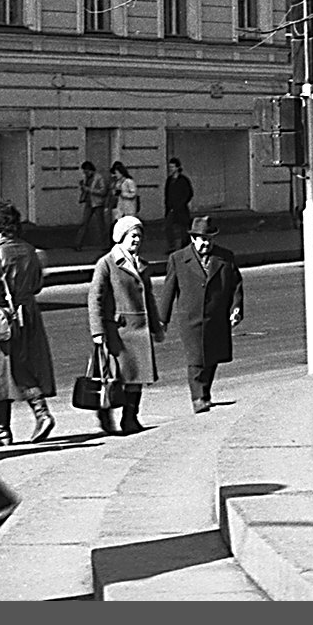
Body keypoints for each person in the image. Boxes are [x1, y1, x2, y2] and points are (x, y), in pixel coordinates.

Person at [0, 201, 58, 447]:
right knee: (23, 364)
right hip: (28, 314)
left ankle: (10, 427)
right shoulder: (30, 250)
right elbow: (38, 284)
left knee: (0, 371)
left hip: (1, 317)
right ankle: (24, 421)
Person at [156, 215, 243, 413]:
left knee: (212, 356)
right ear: (193, 239)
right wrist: (163, 319)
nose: (206, 243)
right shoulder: (178, 259)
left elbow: (235, 284)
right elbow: (168, 291)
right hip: (191, 317)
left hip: (217, 315)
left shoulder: (225, 257)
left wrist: (236, 309)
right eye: (202, 239)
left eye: (210, 239)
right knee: (196, 358)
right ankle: (198, 397)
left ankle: (206, 392)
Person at [87, 215, 162, 435]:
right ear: (120, 237)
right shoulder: (107, 263)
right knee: (114, 377)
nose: (137, 240)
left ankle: (130, 418)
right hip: (117, 330)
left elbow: (148, 297)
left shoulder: (142, 264)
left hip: (140, 328)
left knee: (137, 377)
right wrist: (98, 330)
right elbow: (95, 298)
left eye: (139, 236)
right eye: (132, 235)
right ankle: (105, 413)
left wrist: (156, 327)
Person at [73, 161, 111, 252]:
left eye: (86, 171)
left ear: (90, 170)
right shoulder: (87, 178)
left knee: (101, 224)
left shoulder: (99, 177)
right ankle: (78, 244)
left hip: (98, 203)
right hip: (89, 203)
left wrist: (89, 189)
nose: (85, 173)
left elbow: (103, 191)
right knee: (84, 224)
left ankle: (105, 244)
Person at [162, 158, 195, 252]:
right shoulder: (169, 180)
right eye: (170, 167)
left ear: (177, 167)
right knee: (168, 227)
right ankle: (172, 246)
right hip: (171, 209)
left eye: (172, 167)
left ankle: (185, 246)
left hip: (181, 209)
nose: (171, 169)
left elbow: (188, 193)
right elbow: (167, 194)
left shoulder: (183, 180)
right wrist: (167, 206)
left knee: (183, 228)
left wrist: (181, 203)